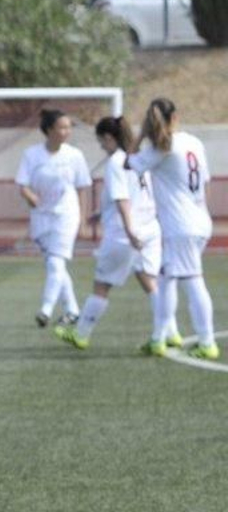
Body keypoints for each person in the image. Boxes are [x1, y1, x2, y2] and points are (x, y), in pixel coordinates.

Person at [55, 116, 168, 350]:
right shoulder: (139, 158)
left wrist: (129, 230)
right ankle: (166, 335)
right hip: (150, 229)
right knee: (150, 282)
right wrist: (101, 213)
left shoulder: (116, 162)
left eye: (101, 141)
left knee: (102, 285)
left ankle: (81, 334)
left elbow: (123, 199)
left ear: (109, 137)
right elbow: (139, 195)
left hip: (124, 233)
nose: (101, 147)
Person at [130, 98, 217, 360]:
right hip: (198, 220)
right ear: (175, 117)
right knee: (166, 279)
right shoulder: (193, 142)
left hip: (180, 226)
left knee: (193, 281)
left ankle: (207, 342)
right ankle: (159, 338)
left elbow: (128, 162)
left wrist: (140, 135)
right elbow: (206, 183)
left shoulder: (161, 149)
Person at [15, 110, 91, 327]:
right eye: (62, 127)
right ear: (49, 130)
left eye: (69, 127)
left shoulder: (74, 155)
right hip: (41, 217)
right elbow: (22, 184)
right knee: (54, 263)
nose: (66, 132)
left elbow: (82, 188)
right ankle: (72, 310)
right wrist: (30, 196)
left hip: (66, 214)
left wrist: (83, 221)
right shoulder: (31, 155)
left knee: (56, 260)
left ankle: (45, 309)